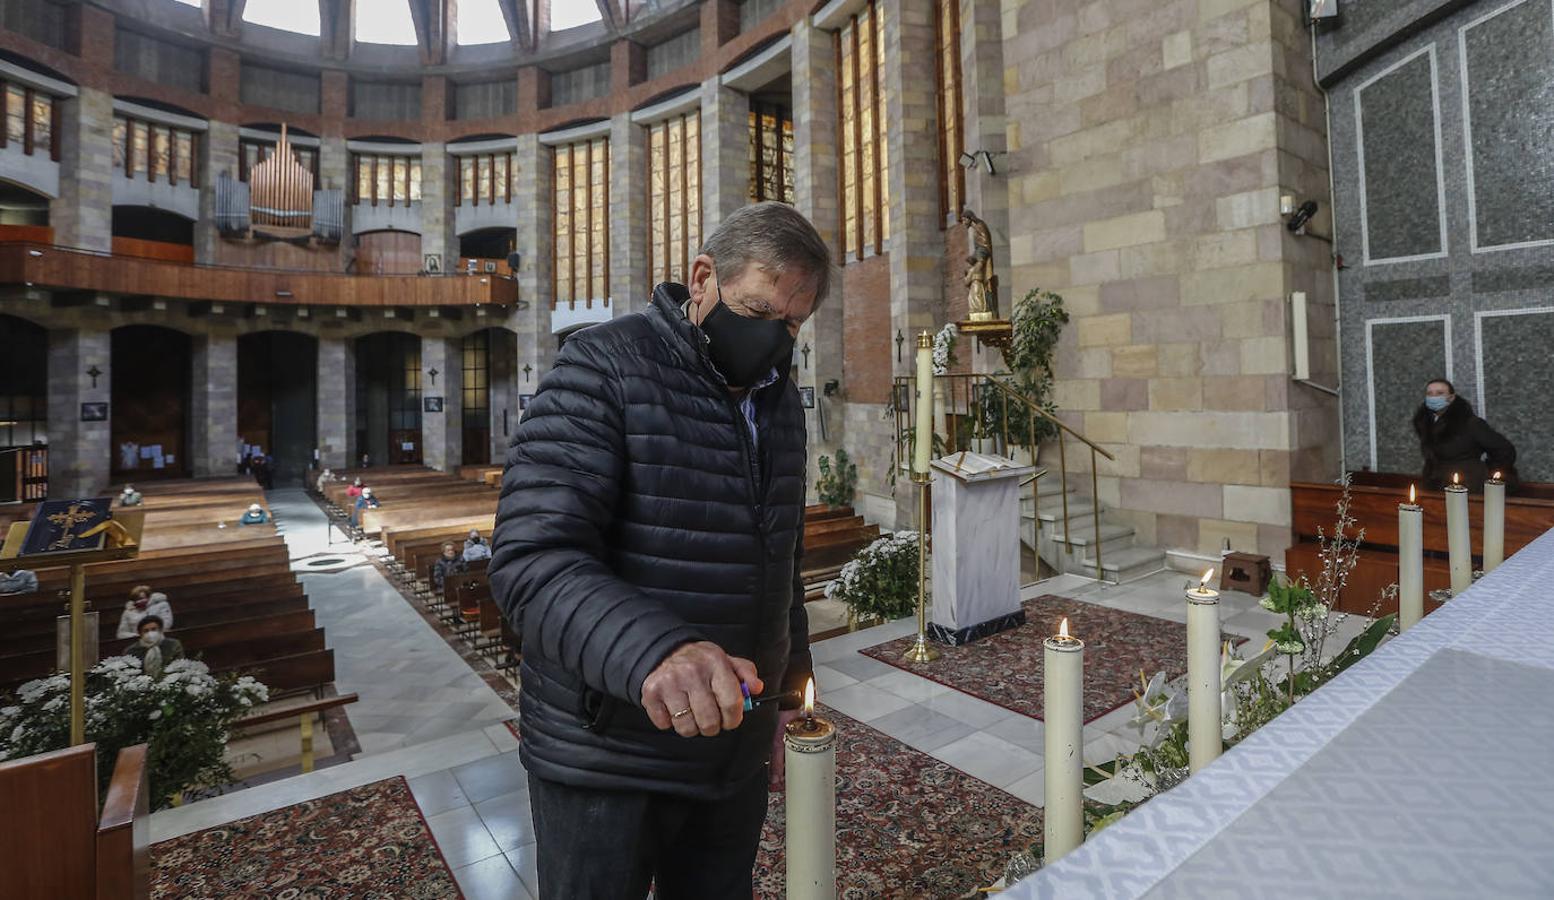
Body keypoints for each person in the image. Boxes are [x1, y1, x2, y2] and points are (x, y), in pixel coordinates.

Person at [490, 202, 826, 899]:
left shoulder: (781, 402)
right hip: (608, 753)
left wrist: (790, 691)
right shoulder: (602, 367)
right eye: (757, 311)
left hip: (730, 746)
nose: (772, 340)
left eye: (790, 324)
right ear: (702, 278)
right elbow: (532, 560)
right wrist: (655, 652)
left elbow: (780, 562)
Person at [1412, 378, 1517, 492]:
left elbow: (1504, 449)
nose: (1434, 397)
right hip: (1435, 483)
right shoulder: (1426, 423)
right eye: (1430, 394)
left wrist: (1489, 472)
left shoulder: (1471, 423)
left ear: (1451, 397)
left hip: (1468, 483)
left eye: (1440, 393)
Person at [125, 615, 183, 679]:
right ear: (140, 633)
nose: (150, 633)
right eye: (146, 631)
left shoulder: (173, 645)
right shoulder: (132, 651)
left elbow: (178, 665)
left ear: (160, 630)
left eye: (154, 629)